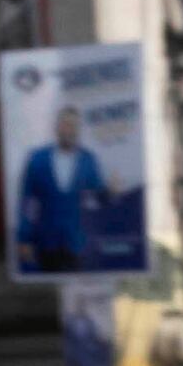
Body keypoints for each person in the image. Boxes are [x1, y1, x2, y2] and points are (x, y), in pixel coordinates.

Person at [16, 102, 110, 276]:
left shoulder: (88, 160)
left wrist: (110, 192)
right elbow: (27, 202)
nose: (71, 130)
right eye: (66, 124)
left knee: (76, 285)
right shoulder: (37, 159)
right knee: (48, 287)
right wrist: (24, 238)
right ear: (57, 127)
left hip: (75, 244)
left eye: (75, 126)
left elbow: (99, 198)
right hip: (45, 242)